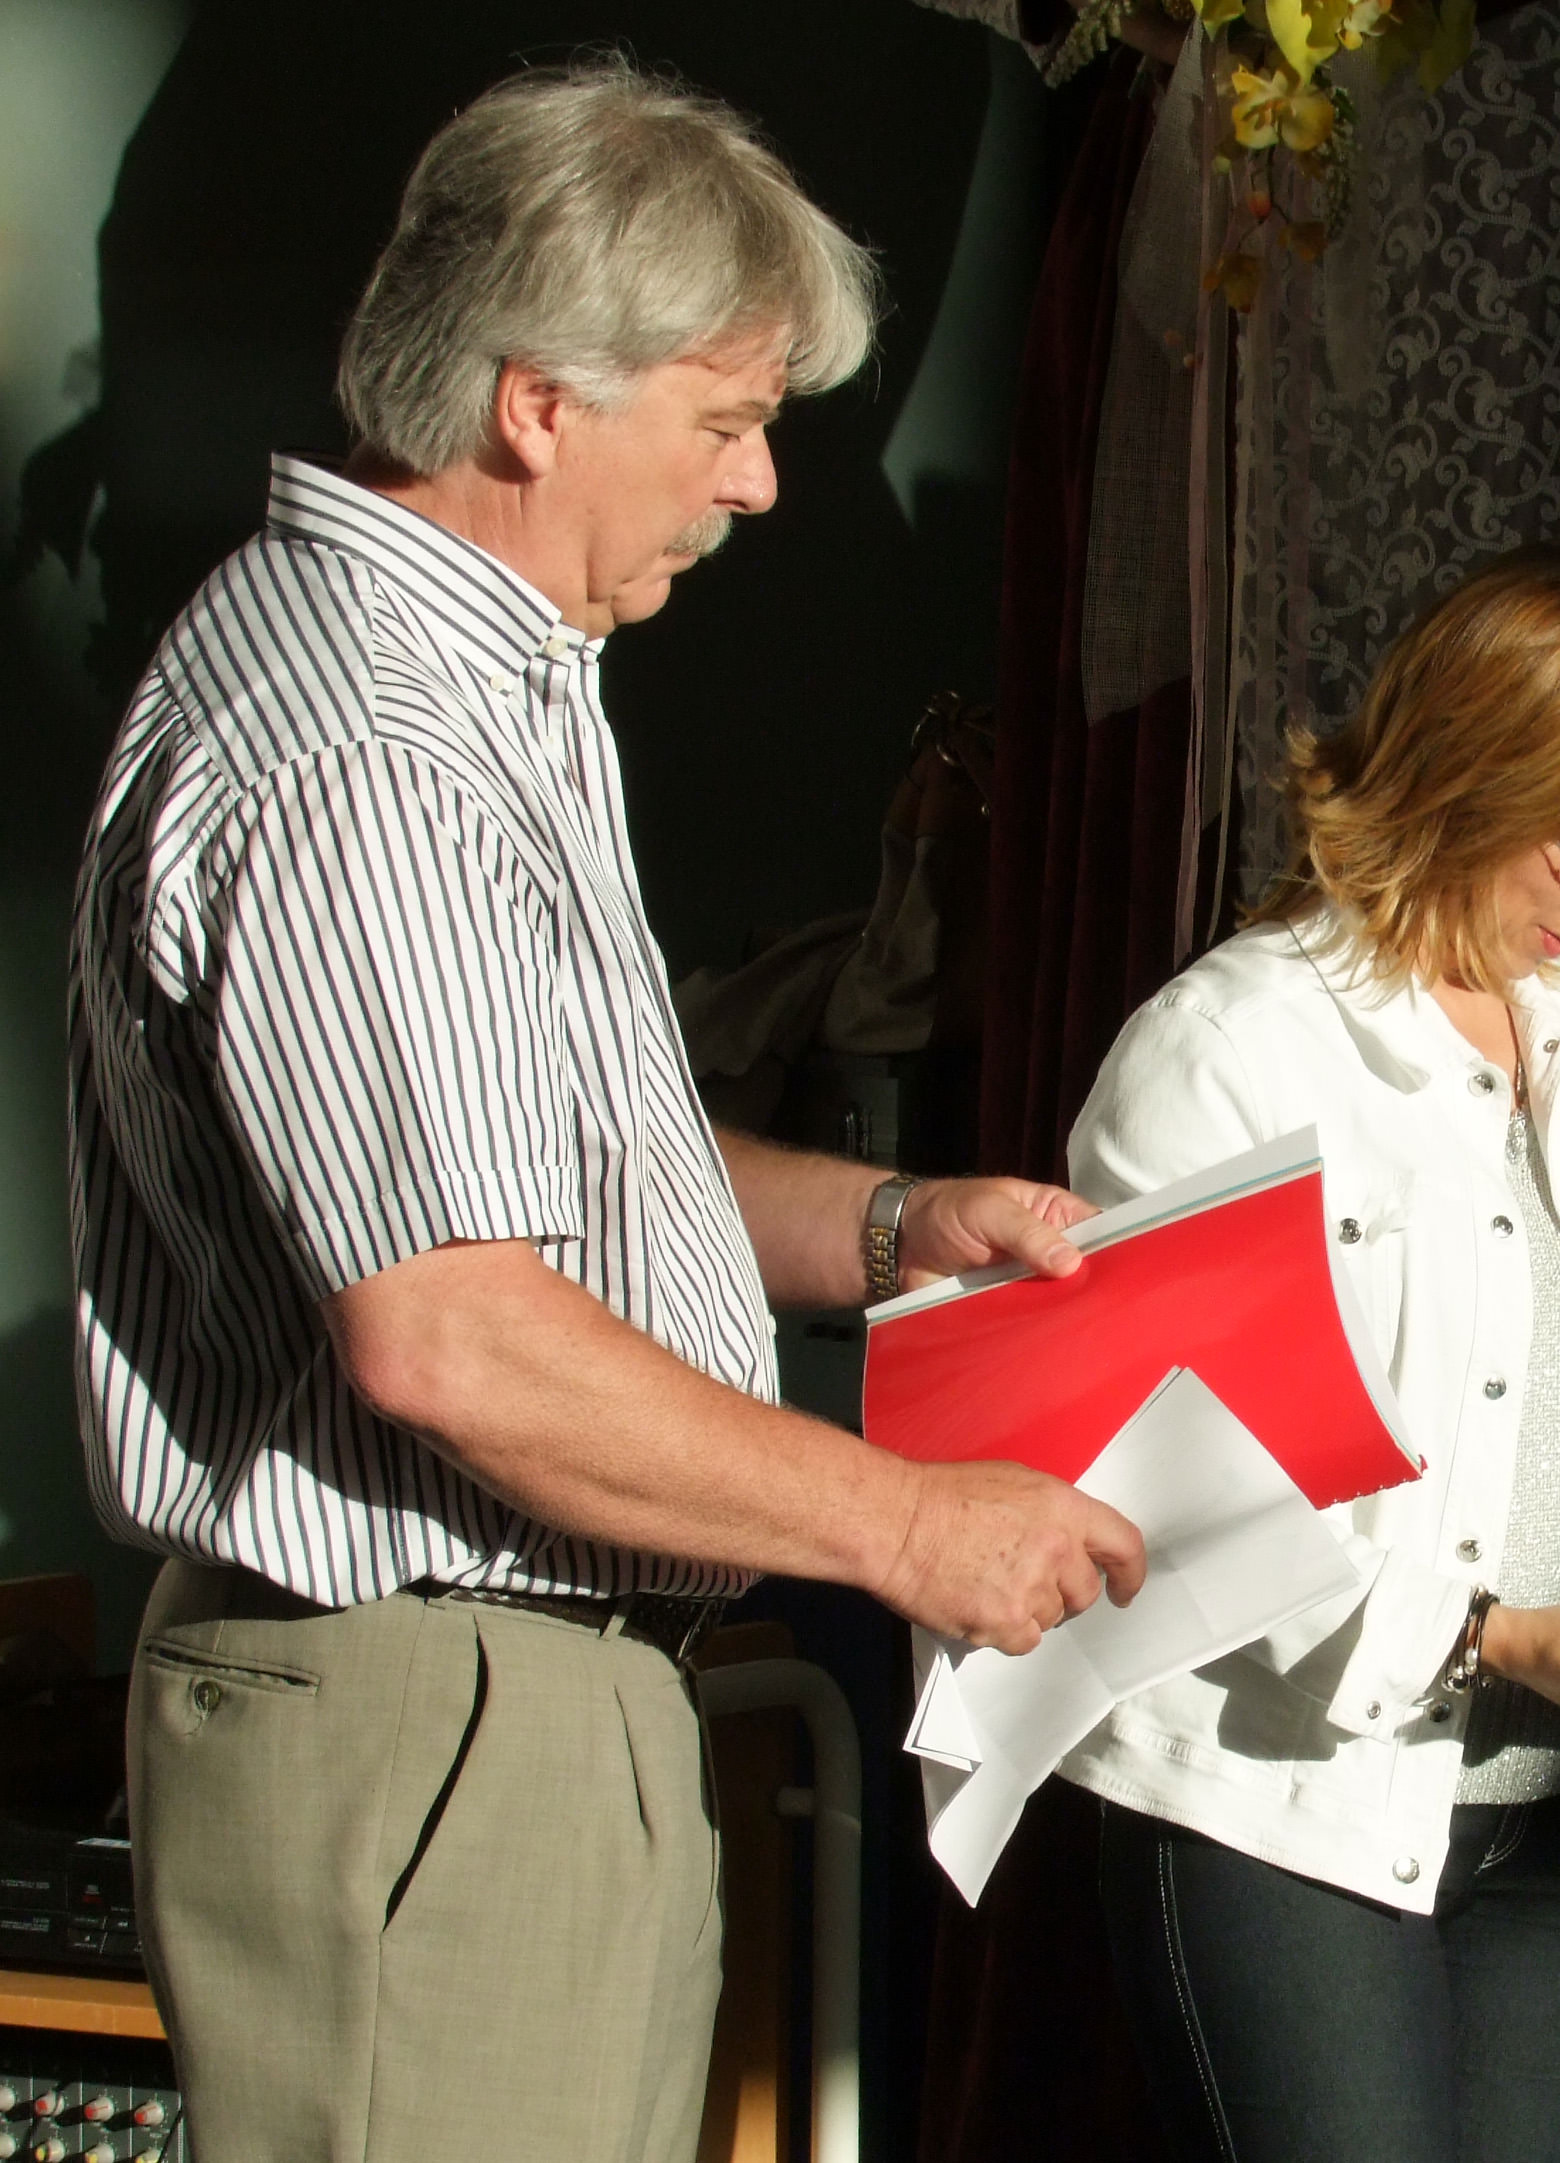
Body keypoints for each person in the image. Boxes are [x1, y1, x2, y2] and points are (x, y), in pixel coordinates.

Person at [67, 61, 1144, 2163]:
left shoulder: (474, 680)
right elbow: (452, 1330)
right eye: (728, 418)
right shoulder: (371, 751)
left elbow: (532, 1169)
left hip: (500, 1710)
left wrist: (889, 1226)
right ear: (538, 402)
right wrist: (909, 1524)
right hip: (435, 1721)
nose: (762, 483)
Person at [1059, 550, 1560, 2163]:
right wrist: (1486, 1637)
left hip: (1554, 1821)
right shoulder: (1228, 1048)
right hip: (1282, 1814)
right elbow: (1193, 1491)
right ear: (1470, 772)